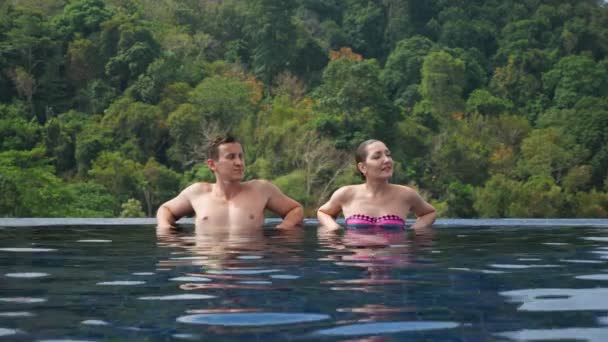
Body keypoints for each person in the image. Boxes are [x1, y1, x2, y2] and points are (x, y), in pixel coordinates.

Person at [156, 135, 304, 234]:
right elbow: (165, 209)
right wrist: (164, 228)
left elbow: (296, 209)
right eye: (231, 157)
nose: (239, 163)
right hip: (210, 269)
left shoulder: (261, 190)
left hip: (248, 268)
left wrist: (284, 228)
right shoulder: (197, 193)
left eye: (241, 156)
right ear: (212, 164)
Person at [317, 139, 436, 230]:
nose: (387, 160)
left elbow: (430, 213)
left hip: (395, 260)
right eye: (377, 156)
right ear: (363, 167)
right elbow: (323, 212)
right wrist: (333, 229)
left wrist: (416, 231)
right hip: (355, 261)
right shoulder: (346, 194)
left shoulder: (406, 195)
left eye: (388, 155)